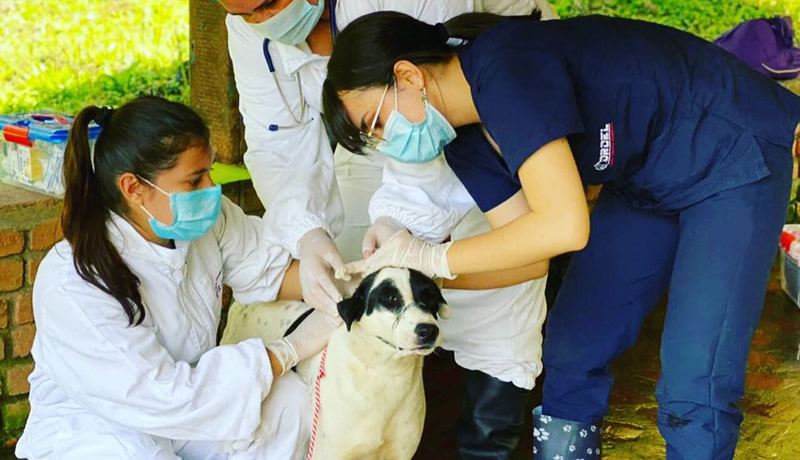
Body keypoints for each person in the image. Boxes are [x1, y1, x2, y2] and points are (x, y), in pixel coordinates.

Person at [321, 12, 800, 460]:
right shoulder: (464, 142)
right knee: (573, 348)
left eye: (377, 122)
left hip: (730, 151)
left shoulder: (504, 68)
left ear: (407, 76)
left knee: (697, 379)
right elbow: (530, 257)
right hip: (644, 183)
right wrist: (415, 276)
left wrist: (435, 256)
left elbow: (565, 226)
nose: (386, 141)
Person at [218, 1, 558, 456]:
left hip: (471, 128)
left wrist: (407, 228)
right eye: (246, 14)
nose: (263, 20)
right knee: (364, 287)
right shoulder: (248, 31)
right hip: (364, 138)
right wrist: (307, 232)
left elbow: (433, 102)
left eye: (269, 4)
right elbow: (277, 141)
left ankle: (485, 444)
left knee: (497, 300)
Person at [14, 96, 348, 460]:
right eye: (193, 180)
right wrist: (288, 350)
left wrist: (354, 283)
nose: (210, 189)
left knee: (290, 404)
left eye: (210, 171)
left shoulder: (204, 220)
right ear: (133, 188)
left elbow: (274, 273)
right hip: (100, 431)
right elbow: (163, 396)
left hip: (185, 408)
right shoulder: (74, 282)